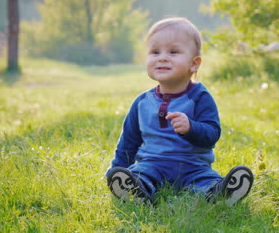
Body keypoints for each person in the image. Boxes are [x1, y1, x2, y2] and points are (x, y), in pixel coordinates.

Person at [106, 17, 253, 205]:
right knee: (141, 174)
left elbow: (212, 134)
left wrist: (191, 127)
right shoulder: (142, 102)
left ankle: (219, 193)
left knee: (205, 180)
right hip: (153, 163)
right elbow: (128, 142)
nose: (162, 57)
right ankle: (134, 189)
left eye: (173, 51)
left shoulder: (200, 97)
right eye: (155, 52)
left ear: (194, 64)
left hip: (193, 165)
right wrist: (117, 170)